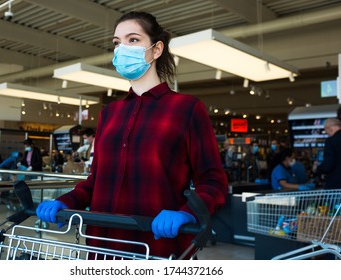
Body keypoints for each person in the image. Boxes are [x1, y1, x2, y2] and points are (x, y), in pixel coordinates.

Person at [36, 11, 228, 259]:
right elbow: (97, 181)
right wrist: (67, 200)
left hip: (157, 246)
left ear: (156, 49)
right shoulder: (110, 113)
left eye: (133, 40)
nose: (122, 48)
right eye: (117, 43)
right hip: (102, 245)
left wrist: (187, 212)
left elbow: (213, 180)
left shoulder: (187, 108)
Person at [313, 118, 341, 189]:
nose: (326, 132)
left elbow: (328, 165)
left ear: (331, 128)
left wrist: (318, 169)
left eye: (326, 129)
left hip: (336, 184)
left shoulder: (331, 141)